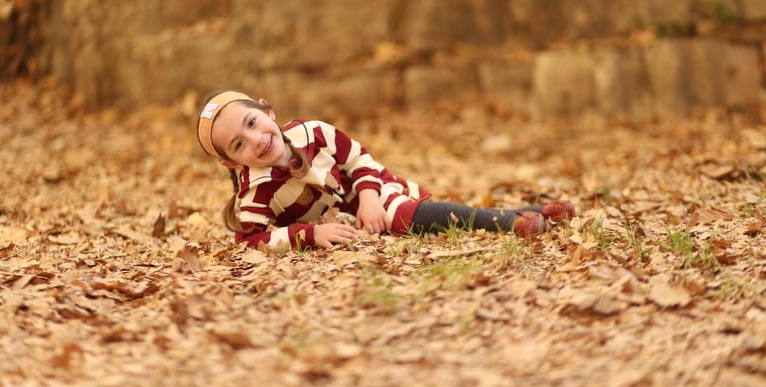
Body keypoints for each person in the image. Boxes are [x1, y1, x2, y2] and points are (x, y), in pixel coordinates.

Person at [197, 90, 575, 252]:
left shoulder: (313, 132)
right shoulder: (255, 195)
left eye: (251, 122)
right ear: (231, 163)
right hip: (346, 219)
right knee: (413, 217)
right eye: (238, 145)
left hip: (373, 191)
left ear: (267, 110)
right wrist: (310, 234)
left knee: (400, 214)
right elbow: (249, 242)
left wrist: (370, 197)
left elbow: (359, 159)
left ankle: (513, 221)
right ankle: (528, 215)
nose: (255, 139)